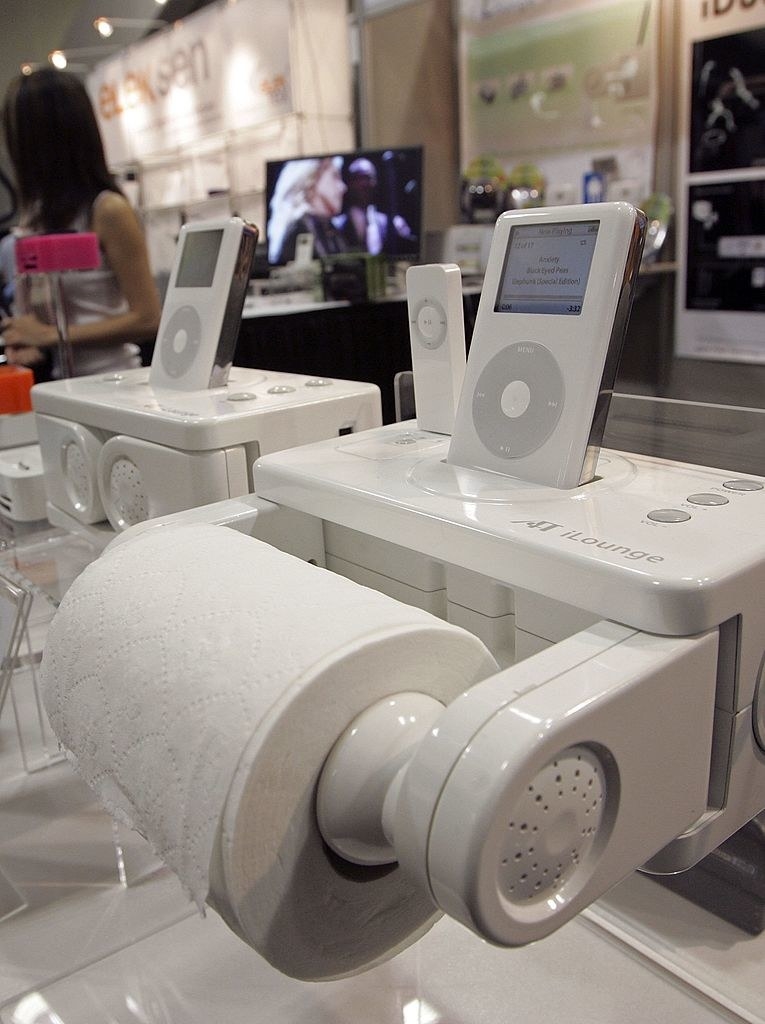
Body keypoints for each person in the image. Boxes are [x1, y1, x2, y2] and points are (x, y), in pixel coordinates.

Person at [0, 68, 161, 378]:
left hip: (110, 383)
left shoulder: (107, 210)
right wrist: (26, 339)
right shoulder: (35, 215)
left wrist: (50, 335)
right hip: (53, 386)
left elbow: (148, 318)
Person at [267, 156, 348, 264]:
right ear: (312, 178)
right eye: (335, 176)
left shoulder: (329, 229)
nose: (343, 187)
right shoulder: (300, 228)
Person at [332, 157, 416, 256]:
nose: (363, 184)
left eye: (368, 177)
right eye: (358, 178)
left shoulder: (393, 224)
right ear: (348, 183)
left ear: (375, 182)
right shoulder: (335, 226)